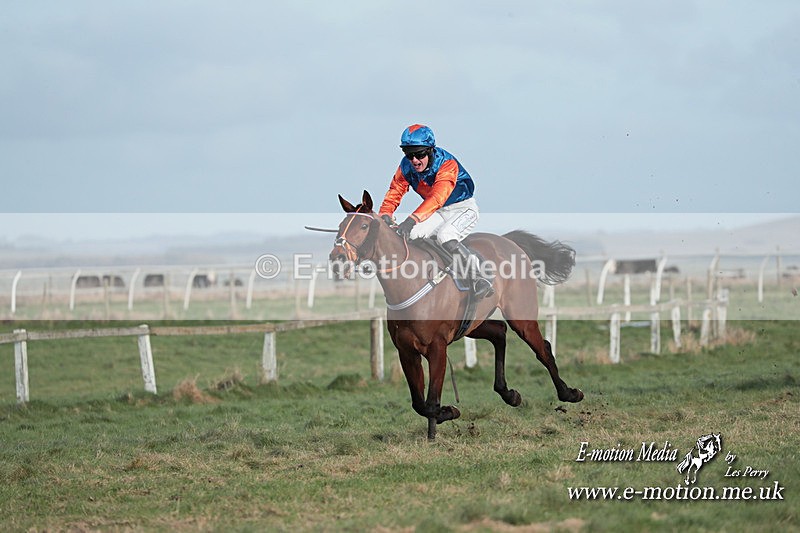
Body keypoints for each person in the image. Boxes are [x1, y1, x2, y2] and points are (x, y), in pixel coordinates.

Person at [378, 124, 494, 299]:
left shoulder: (447, 164)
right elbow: (395, 190)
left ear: (431, 150)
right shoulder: (405, 166)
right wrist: (385, 214)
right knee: (412, 235)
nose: (415, 160)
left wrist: (411, 219)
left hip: (463, 209)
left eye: (420, 154)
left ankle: (480, 277)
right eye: (409, 155)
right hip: (439, 212)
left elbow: (437, 198)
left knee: (445, 236)